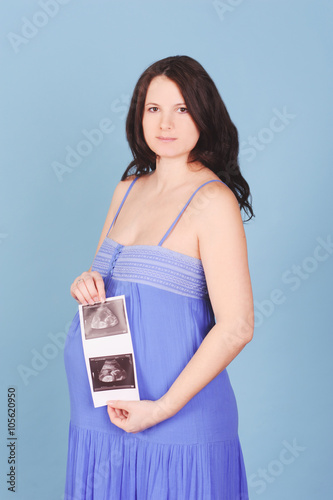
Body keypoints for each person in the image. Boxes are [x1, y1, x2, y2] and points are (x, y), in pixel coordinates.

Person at [64, 55, 255, 500]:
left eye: (182, 108)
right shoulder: (127, 188)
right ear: (139, 115)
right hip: (101, 413)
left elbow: (238, 326)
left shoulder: (213, 202)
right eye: (154, 108)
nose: (165, 122)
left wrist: (159, 409)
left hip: (174, 419)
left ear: (203, 114)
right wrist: (85, 283)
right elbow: (104, 280)